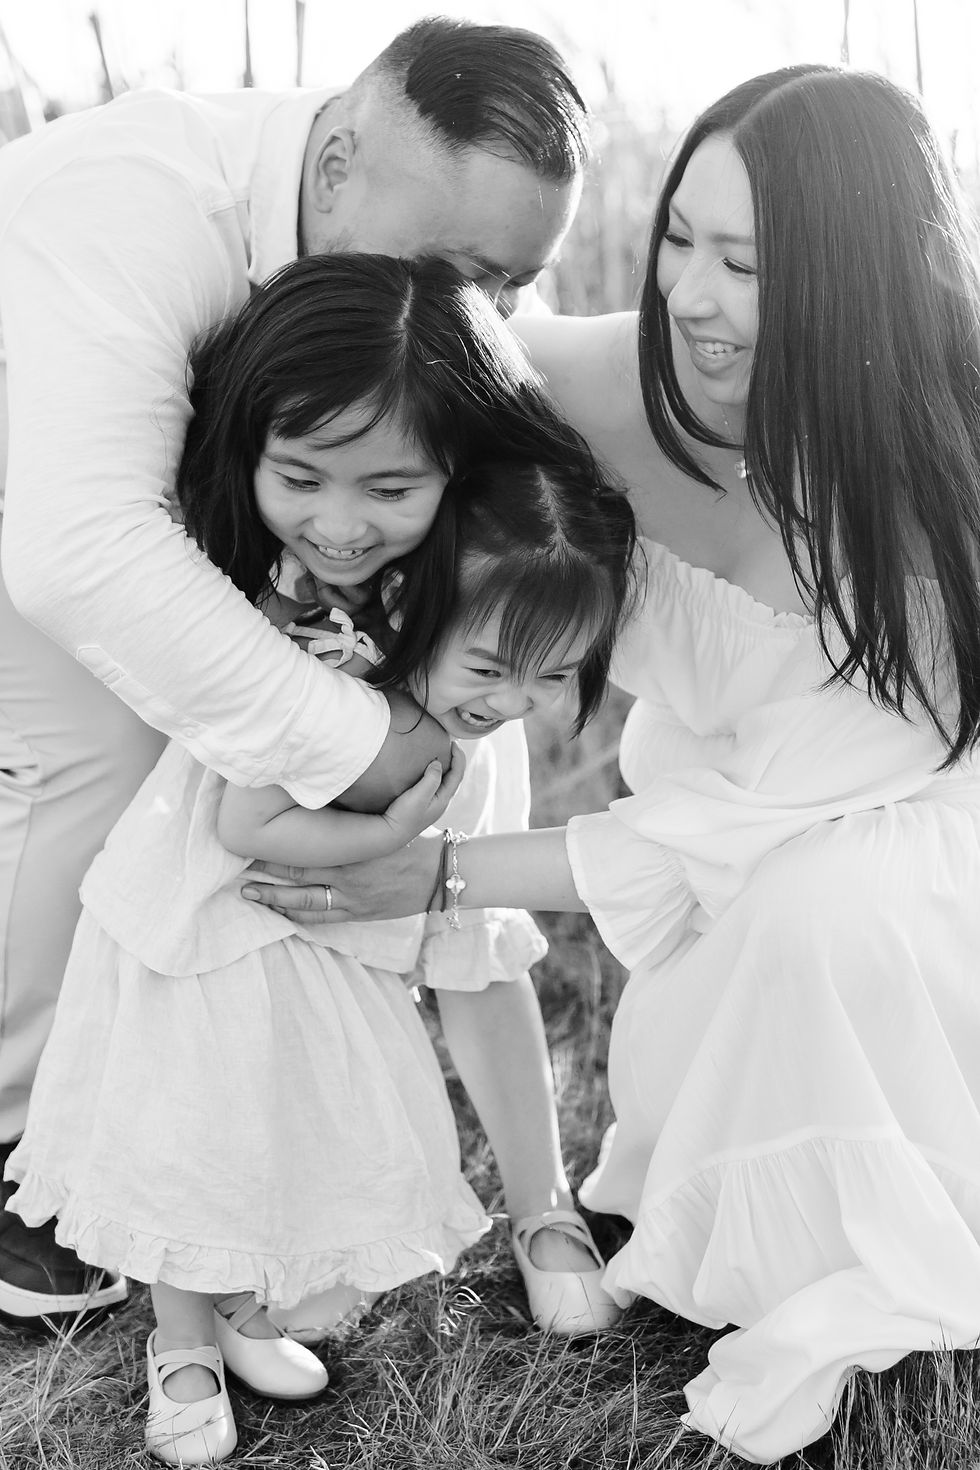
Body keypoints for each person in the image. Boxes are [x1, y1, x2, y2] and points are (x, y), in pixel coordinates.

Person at [245, 66, 980, 1465]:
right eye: (680, 243)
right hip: (722, 871)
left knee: (828, 907)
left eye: (747, 263)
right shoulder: (576, 384)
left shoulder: (942, 502)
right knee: (775, 919)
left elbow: (740, 829)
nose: (692, 297)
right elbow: (354, 426)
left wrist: (438, 871)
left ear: (860, 282)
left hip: (902, 866)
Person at [0, 16, 589, 1322]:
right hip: (28, 504)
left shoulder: (392, 269)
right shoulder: (133, 208)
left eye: (517, 283)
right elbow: (73, 549)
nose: (484, 317)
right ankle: (36, 1160)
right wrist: (356, 740)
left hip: (147, 509)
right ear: (335, 168)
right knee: (101, 741)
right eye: (466, 271)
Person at [3, 254, 636, 1466]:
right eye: (301, 478)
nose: (341, 524)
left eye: (389, 488)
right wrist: (395, 830)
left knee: (423, 995)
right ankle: (182, 1337)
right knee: (212, 1086)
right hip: (242, 880)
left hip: (412, 765)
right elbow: (247, 820)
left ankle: (510, 1215)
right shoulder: (303, 625)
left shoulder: (468, 583)